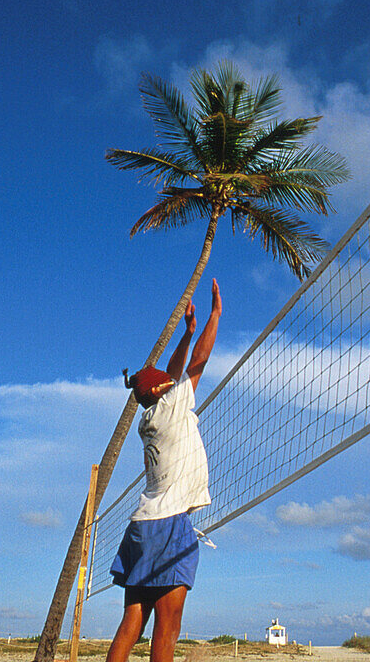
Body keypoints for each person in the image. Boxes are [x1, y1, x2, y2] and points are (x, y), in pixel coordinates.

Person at [106, 279, 221, 662]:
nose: (170, 381)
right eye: (164, 382)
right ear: (159, 392)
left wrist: (185, 334)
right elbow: (198, 362)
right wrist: (213, 318)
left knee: (131, 623)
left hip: (141, 525)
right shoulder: (171, 409)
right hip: (168, 524)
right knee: (167, 631)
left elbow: (173, 372)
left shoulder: (151, 416)